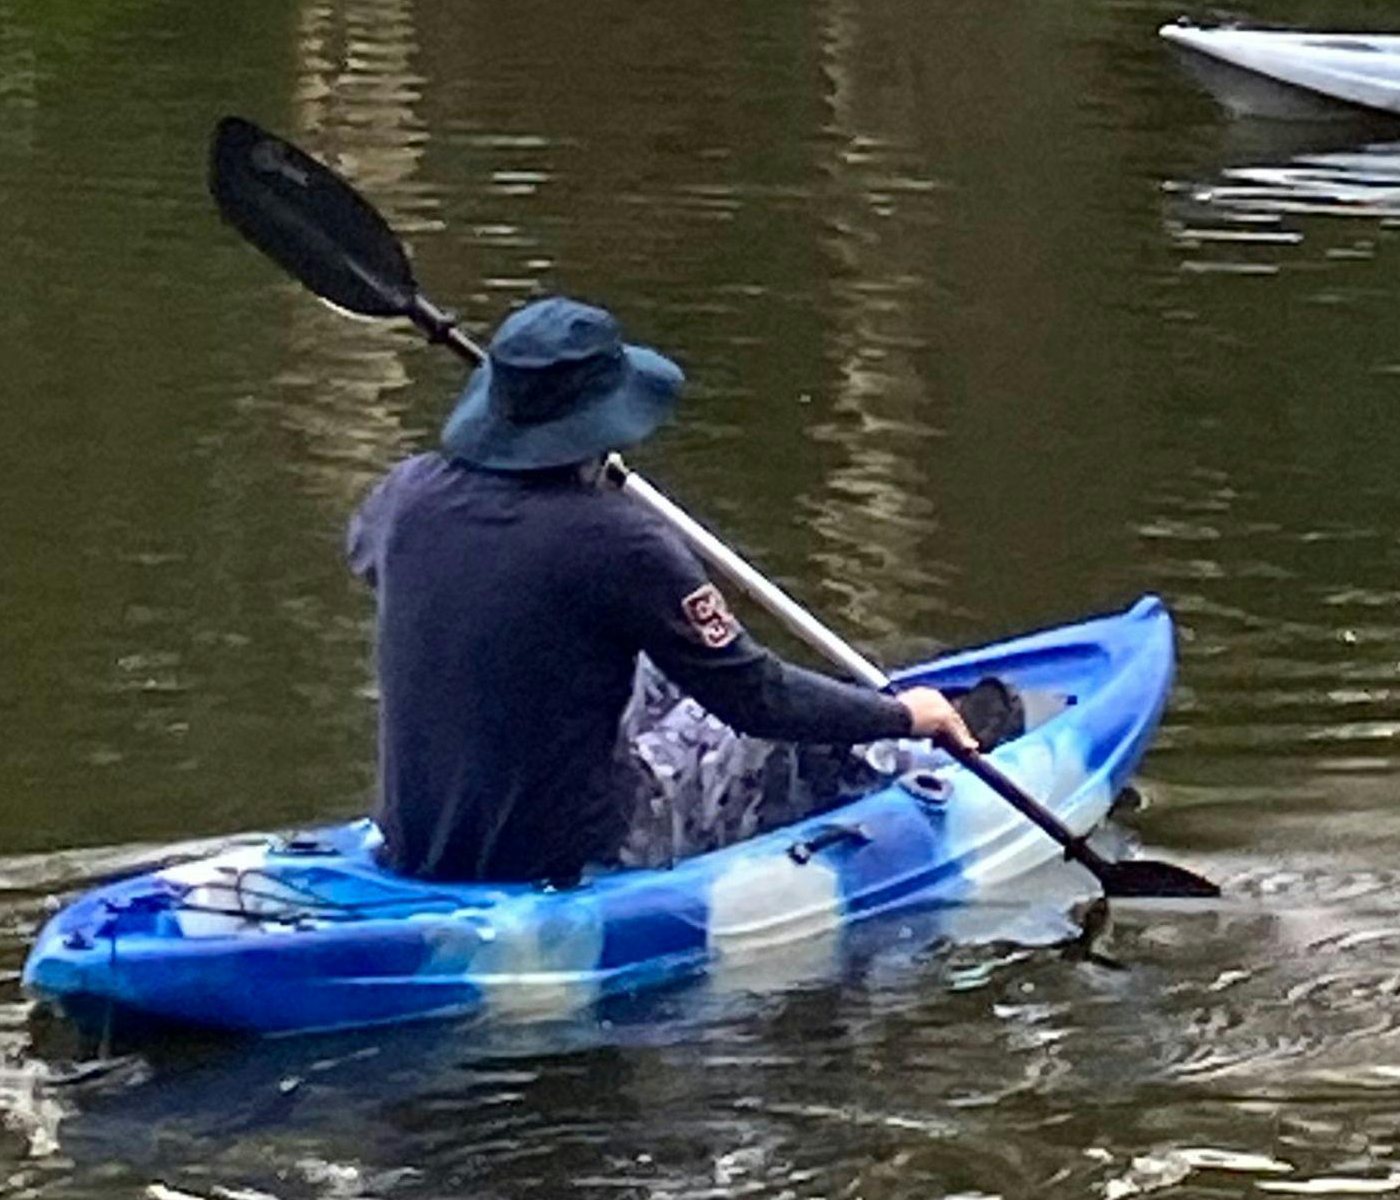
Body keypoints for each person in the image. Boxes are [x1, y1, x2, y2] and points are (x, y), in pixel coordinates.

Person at [345, 296, 983, 886]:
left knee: (648, 664)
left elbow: (373, 558)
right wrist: (900, 714)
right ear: (603, 423)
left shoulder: (405, 493)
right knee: (751, 728)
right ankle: (924, 769)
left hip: (419, 843)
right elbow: (757, 700)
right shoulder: (622, 541)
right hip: (576, 856)